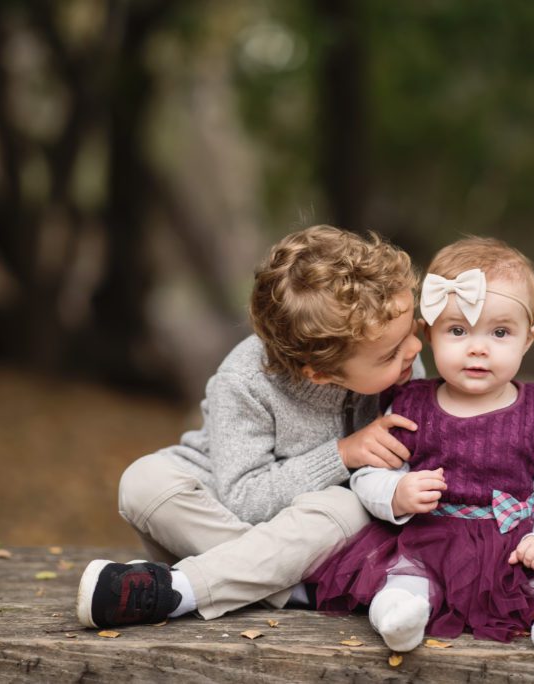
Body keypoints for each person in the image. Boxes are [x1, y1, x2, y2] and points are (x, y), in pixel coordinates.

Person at [75, 225, 424, 628]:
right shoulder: (243, 381)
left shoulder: (403, 368)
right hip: (234, 509)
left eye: (412, 330)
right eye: (391, 354)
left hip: (319, 526)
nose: (414, 350)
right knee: (142, 482)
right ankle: (294, 588)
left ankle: (180, 589)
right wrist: (341, 455)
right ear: (320, 374)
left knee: (345, 506)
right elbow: (243, 497)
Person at [308, 236, 534, 657]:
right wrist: (396, 492)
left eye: (500, 332)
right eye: (458, 330)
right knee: (403, 578)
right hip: (432, 541)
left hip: (519, 543)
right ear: (429, 334)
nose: (478, 348)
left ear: (528, 338)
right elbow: (372, 471)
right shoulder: (408, 404)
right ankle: (399, 616)